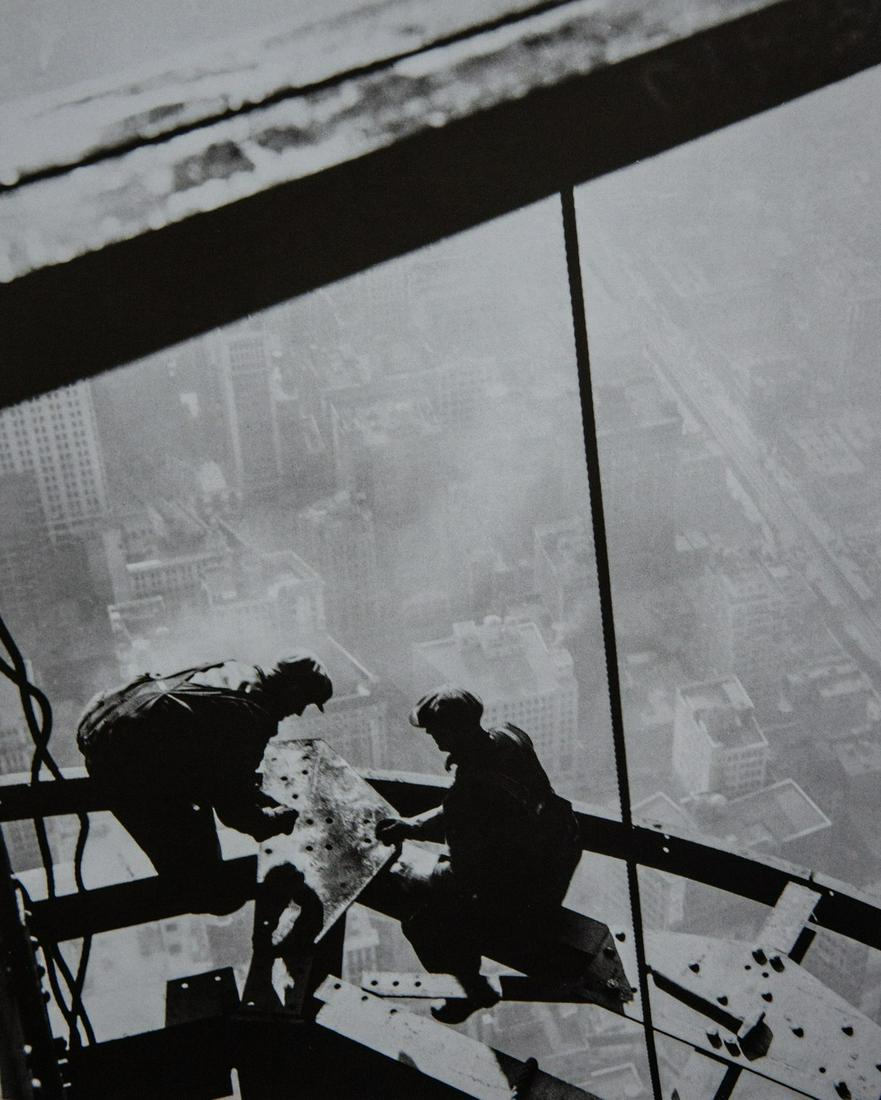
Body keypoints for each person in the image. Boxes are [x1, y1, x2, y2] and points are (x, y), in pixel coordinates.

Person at [376, 686, 581, 1023]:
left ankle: (469, 991)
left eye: (435, 731)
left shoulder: (468, 794)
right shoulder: (509, 737)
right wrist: (412, 826)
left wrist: (419, 873)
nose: (433, 738)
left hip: (527, 892)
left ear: (452, 731)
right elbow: (471, 803)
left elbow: (464, 877)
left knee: (421, 921)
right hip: (557, 856)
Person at [77, 653, 333, 913]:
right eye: (304, 701)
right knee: (214, 894)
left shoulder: (233, 668)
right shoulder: (250, 716)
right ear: (291, 689)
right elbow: (234, 812)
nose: (299, 711)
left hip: (97, 725)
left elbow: (216, 761)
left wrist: (244, 791)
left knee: (199, 841)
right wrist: (272, 821)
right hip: (117, 765)